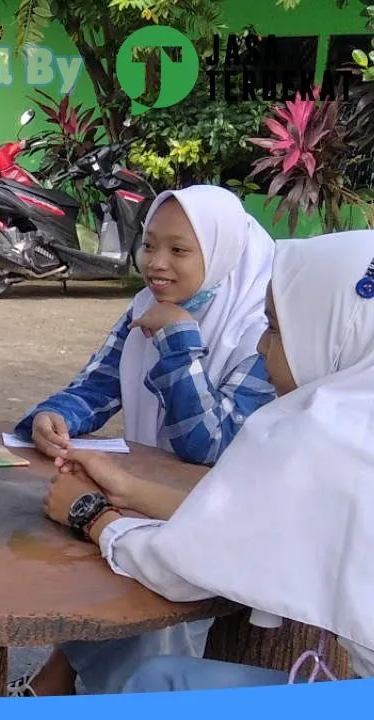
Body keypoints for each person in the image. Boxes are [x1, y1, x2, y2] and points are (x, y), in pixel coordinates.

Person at [42, 229, 374, 691]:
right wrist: (129, 488)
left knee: (155, 682)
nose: (262, 348)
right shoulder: (358, 420)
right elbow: (261, 513)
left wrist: (92, 515)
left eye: (276, 330)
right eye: (150, 246)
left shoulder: (325, 433)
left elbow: (183, 566)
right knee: (162, 676)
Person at [8, 185, 278, 697]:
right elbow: (96, 385)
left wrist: (179, 342)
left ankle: (85, 687)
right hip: (139, 496)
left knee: (145, 599)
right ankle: (58, 681)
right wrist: (53, 416)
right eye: (149, 244)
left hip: (216, 518)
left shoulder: (260, 330)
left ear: (223, 251)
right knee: (93, 565)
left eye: (179, 250)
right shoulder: (145, 305)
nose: (156, 263)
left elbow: (213, 446)